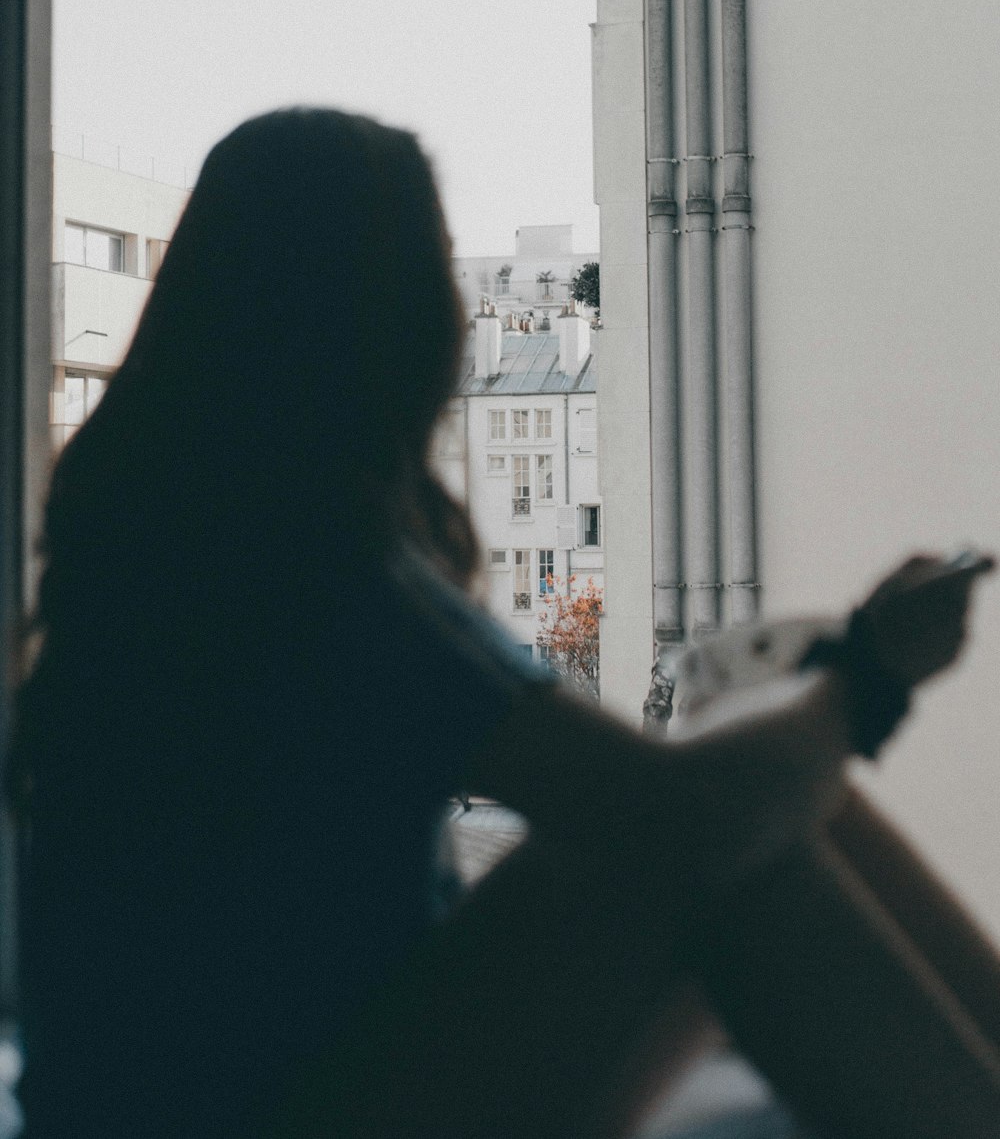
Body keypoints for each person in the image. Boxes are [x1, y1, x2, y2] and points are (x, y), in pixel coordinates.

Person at [9, 108, 1000, 1139]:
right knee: (750, 827)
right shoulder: (312, 565)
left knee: (753, 797)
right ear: (389, 312)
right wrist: (867, 675)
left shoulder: (182, 529)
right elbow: (676, 821)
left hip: (188, 1101)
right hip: (292, 1111)